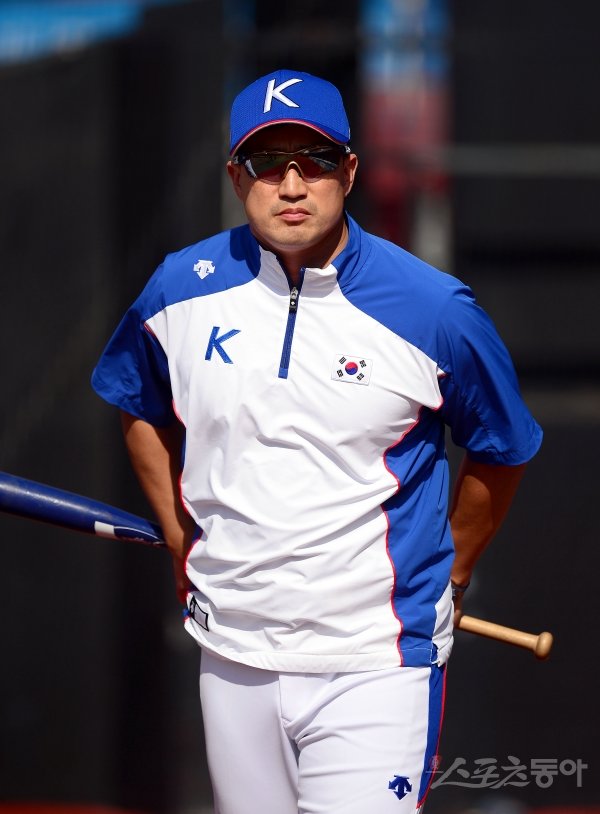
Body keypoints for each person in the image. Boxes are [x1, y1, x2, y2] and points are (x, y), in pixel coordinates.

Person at [91, 69, 542, 814]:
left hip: (376, 661)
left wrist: (454, 572)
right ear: (237, 176)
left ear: (350, 172)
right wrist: (177, 532)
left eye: (316, 160)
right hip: (231, 648)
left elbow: (503, 446)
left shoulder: (435, 309)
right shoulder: (179, 287)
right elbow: (137, 404)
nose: (293, 185)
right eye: (269, 163)